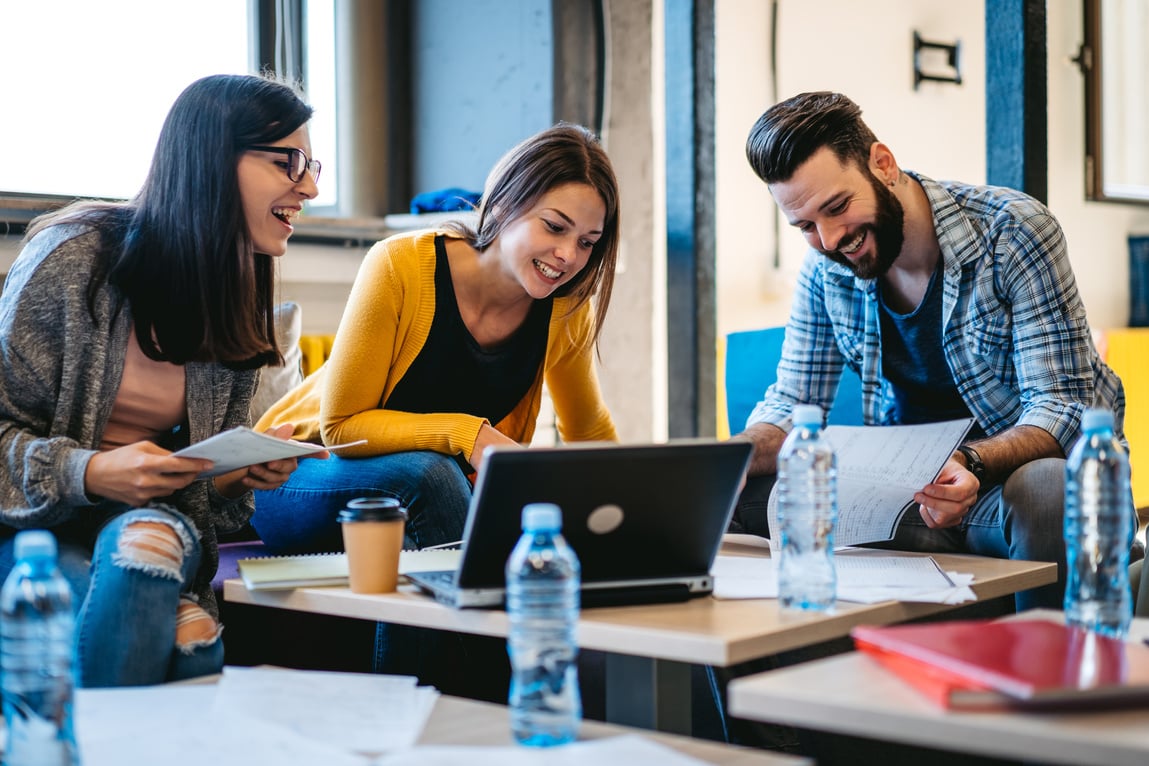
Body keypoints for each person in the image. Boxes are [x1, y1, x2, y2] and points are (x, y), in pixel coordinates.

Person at [250, 123, 620, 693]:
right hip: (296, 477)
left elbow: (589, 430)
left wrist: (635, 510)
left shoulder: (564, 309)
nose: (569, 255)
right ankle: (451, 709)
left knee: (470, 492)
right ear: (505, 203)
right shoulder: (400, 264)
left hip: (433, 497)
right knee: (432, 473)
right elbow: (340, 425)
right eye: (555, 227)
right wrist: (464, 433)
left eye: (589, 241)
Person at [730, 91, 1128, 612]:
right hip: (910, 501)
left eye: (837, 207)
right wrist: (719, 463)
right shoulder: (825, 269)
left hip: (1002, 493)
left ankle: (1051, 675)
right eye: (805, 226)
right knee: (732, 496)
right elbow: (791, 403)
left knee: (1050, 487)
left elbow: (1063, 407)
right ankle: (798, 686)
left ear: (884, 165)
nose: (829, 240)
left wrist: (972, 463)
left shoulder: (1013, 232)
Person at [0, 73, 324, 687]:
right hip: (33, 533)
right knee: (187, 637)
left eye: (312, 166)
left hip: (151, 525)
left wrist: (233, 478)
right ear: (212, 159)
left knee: (148, 544)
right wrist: (91, 471)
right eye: (289, 162)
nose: (307, 186)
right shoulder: (72, 260)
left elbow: (214, 516)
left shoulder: (239, 285)